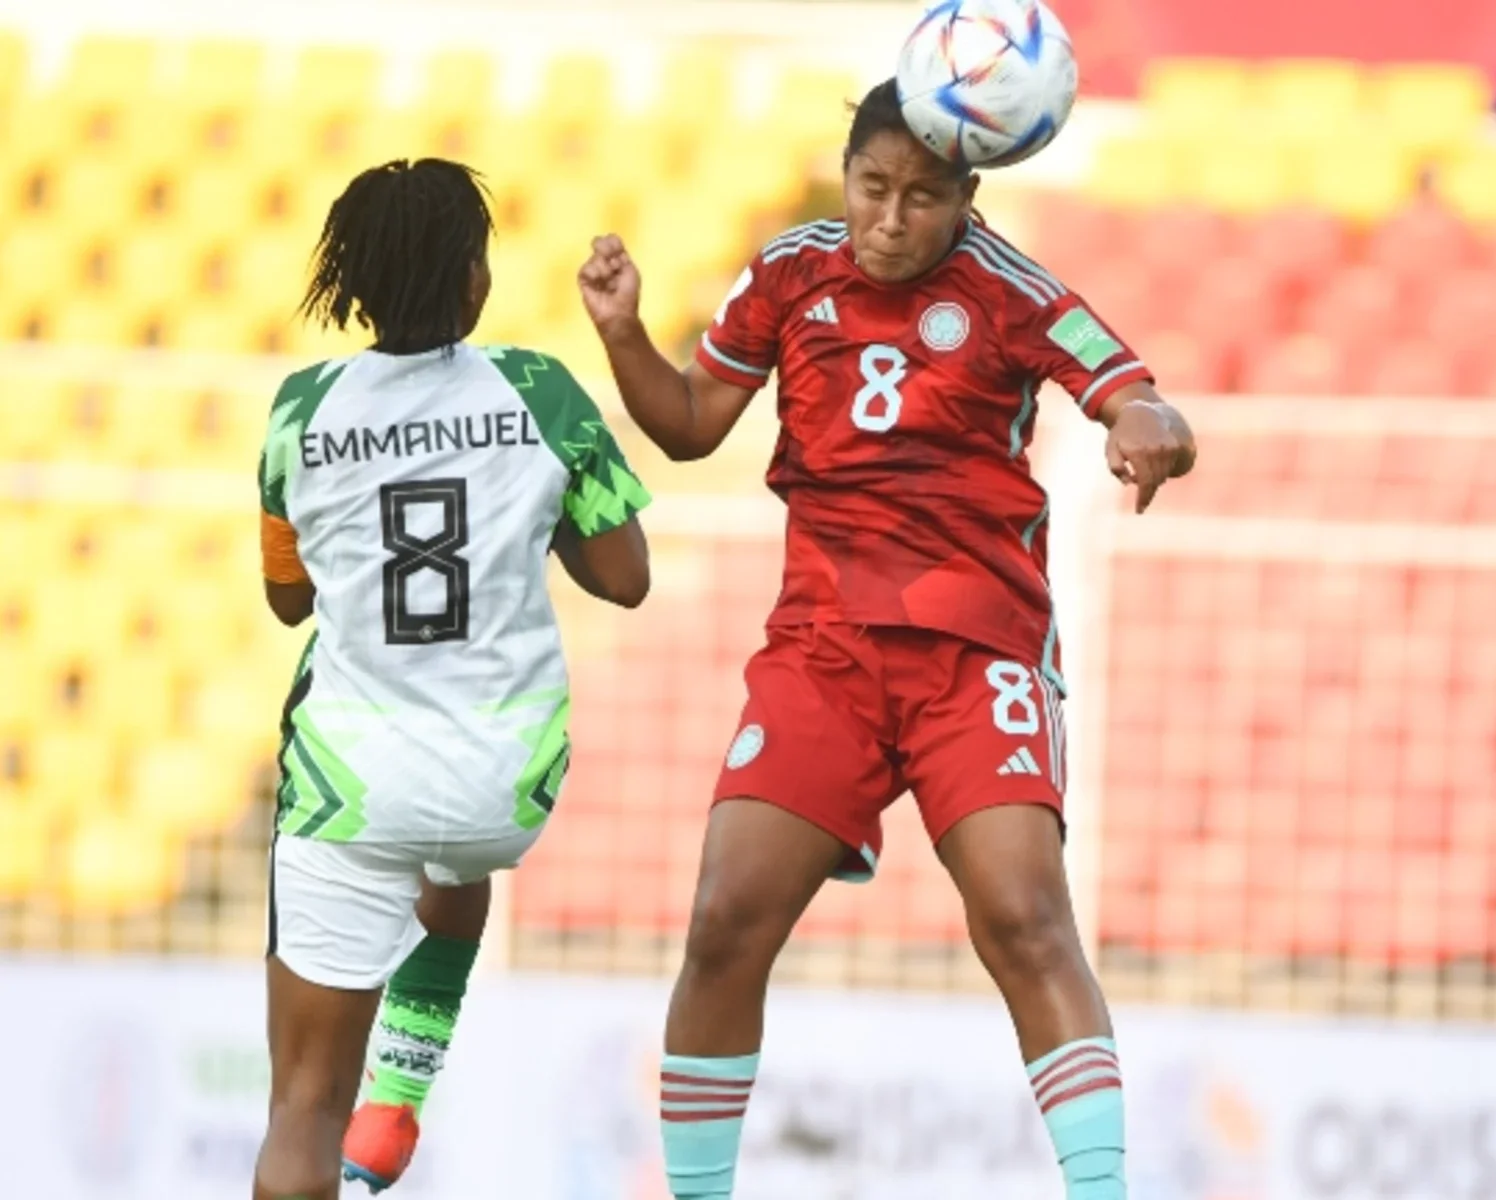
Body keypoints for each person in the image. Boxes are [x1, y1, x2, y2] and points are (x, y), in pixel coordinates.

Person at [576, 81, 1195, 1200]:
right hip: (823, 649)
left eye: (922, 196)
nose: (891, 218)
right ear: (846, 174)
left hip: (977, 651)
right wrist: (623, 334)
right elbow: (686, 424)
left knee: (1022, 919)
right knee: (722, 922)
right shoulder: (786, 271)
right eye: (873, 188)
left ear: (968, 197)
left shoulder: (1011, 287)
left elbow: (1137, 396)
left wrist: (1149, 430)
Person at [252, 157, 652, 1200]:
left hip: (356, 784)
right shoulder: (539, 390)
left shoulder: (303, 410)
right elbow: (627, 580)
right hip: (505, 781)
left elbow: (286, 600)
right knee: (452, 870)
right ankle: (400, 1094)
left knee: (300, 1107)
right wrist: (531, 514)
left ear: (355, 287)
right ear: (476, 280)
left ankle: (357, 1111)